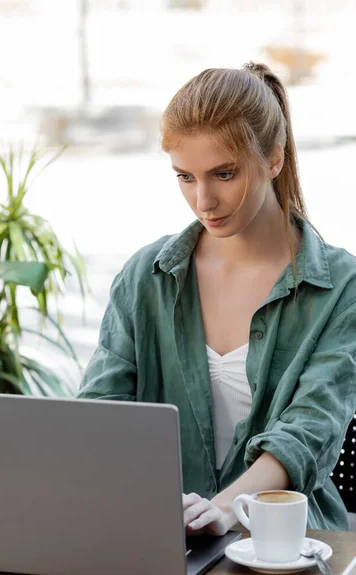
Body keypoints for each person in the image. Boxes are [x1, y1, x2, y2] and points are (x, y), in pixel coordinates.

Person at [77, 62, 356, 536]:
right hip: (157, 534)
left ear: (274, 158)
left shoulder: (340, 288)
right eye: (185, 177)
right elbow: (99, 414)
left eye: (223, 174)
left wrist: (226, 510)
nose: (203, 200)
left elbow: (310, 432)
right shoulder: (147, 278)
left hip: (281, 541)